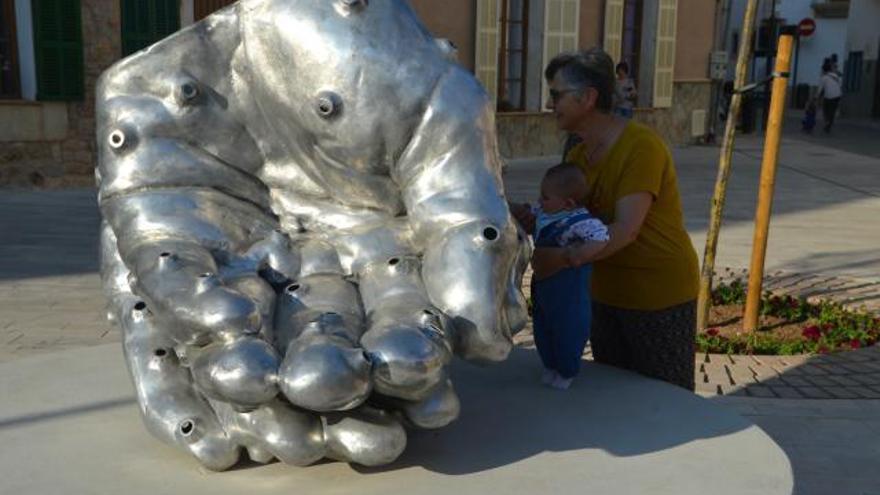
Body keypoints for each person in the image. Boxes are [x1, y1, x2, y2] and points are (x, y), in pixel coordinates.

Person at [512, 48, 700, 391]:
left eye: (557, 95)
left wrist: (563, 258)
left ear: (587, 98)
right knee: (615, 399)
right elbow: (574, 218)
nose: (551, 103)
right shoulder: (578, 153)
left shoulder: (641, 147)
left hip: (657, 294)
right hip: (602, 293)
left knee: (664, 406)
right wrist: (535, 216)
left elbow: (626, 230)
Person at [513, 163, 609, 389]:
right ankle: (550, 363)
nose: (540, 200)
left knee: (569, 327)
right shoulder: (544, 212)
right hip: (544, 283)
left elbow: (601, 237)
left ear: (568, 203)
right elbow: (526, 214)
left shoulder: (581, 222)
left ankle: (567, 369)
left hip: (569, 286)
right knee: (543, 326)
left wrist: (580, 254)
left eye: (545, 197)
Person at [818, 59, 842, 133]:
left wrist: (816, 96)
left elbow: (820, 89)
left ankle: (827, 121)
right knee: (832, 110)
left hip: (829, 96)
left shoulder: (824, 78)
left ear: (824, 70)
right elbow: (839, 84)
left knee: (825, 109)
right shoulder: (835, 76)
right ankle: (829, 123)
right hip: (837, 95)